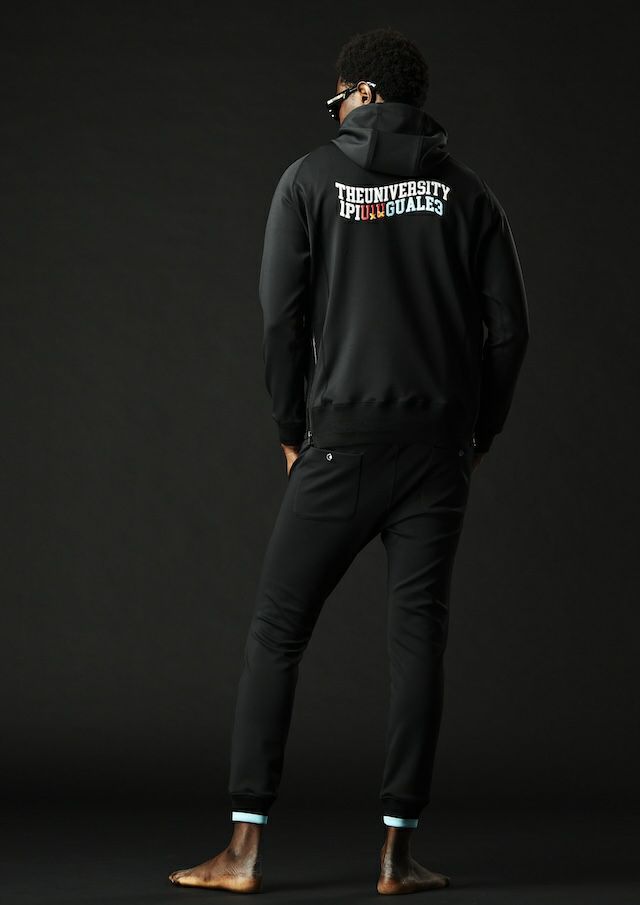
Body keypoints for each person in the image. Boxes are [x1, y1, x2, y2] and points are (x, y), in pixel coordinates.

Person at [169, 25, 529, 895]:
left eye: (339, 97)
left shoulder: (308, 180)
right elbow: (510, 331)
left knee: (277, 632)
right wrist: (478, 434)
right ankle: (397, 856)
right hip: (437, 451)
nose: (334, 111)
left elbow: (280, 318)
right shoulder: (468, 192)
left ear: (364, 93)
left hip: (339, 441)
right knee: (418, 638)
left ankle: (243, 852)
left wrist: (291, 427)